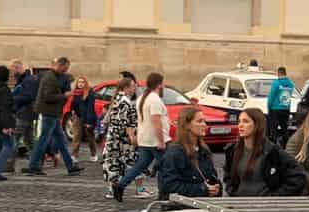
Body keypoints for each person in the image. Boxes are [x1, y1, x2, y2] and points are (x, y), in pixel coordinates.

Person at [111, 72, 171, 203]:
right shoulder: (154, 99)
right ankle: (164, 193)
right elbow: (156, 121)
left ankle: (120, 185)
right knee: (165, 167)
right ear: (159, 84)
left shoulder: (142, 97)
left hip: (145, 139)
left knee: (140, 165)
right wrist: (161, 141)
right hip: (155, 140)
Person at [24, 57, 81, 175]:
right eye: (65, 68)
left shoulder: (59, 77)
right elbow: (48, 97)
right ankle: (34, 165)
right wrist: (64, 95)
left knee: (61, 141)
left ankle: (70, 166)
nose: (66, 70)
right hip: (49, 113)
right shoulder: (49, 77)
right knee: (44, 140)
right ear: (59, 65)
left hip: (54, 113)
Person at [158, 107, 222, 201]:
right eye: (199, 121)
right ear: (187, 125)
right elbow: (167, 186)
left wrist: (216, 188)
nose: (204, 125)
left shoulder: (204, 150)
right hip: (179, 209)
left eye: (204, 121)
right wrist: (202, 189)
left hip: (204, 206)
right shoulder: (174, 153)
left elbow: (210, 177)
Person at [65, 75, 99, 162]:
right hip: (77, 117)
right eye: (79, 82)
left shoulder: (90, 93)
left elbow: (90, 108)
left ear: (86, 83)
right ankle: (74, 155)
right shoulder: (75, 93)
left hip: (88, 117)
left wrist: (89, 122)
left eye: (83, 82)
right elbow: (72, 104)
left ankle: (93, 154)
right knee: (76, 137)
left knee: (90, 138)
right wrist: (72, 111)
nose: (81, 84)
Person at [10, 59, 39, 151]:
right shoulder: (24, 80)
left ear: (17, 68)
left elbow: (28, 96)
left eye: (12, 70)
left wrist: (12, 98)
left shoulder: (28, 80)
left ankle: (8, 164)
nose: (12, 72)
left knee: (14, 139)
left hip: (23, 113)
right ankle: (35, 162)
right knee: (28, 140)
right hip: (27, 113)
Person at [265, 66, 296, 138]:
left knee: (273, 130)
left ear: (278, 73)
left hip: (275, 109)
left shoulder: (276, 83)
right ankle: (285, 144)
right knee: (285, 129)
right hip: (286, 108)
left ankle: (274, 145)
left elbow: (271, 97)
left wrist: (269, 107)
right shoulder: (291, 84)